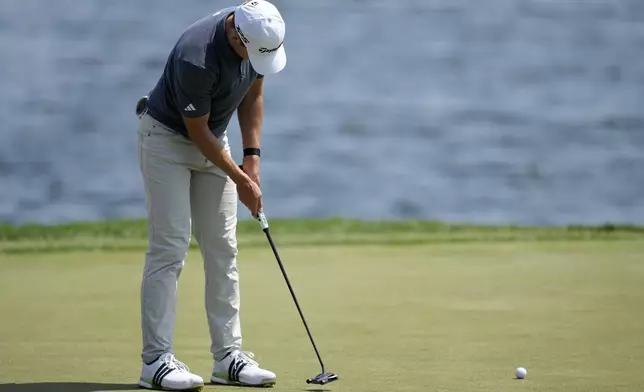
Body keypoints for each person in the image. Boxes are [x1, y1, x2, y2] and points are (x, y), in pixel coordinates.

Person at [134, 1, 286, 390]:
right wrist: (239, 179)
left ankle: (227, 358)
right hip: (167, 141)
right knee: (169, 247)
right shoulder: (195, 56)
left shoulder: (257, 37)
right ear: (236, 35)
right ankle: (156, 361)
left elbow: (253, 95)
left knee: (223, 247)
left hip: (213, 142)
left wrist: (251, 159)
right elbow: (196, 132)